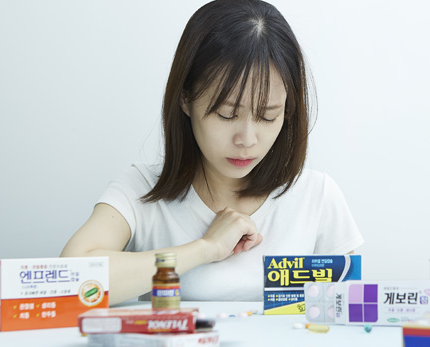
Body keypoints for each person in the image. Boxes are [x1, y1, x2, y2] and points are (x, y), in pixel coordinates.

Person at [61, 0, 363, 305]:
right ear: (186, 99)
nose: (247, 140)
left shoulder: (316, 196)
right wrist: (205, 248)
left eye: (267, 116)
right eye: (226, 114)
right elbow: (70, 281)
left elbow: (348, 311)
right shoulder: (142, 191)